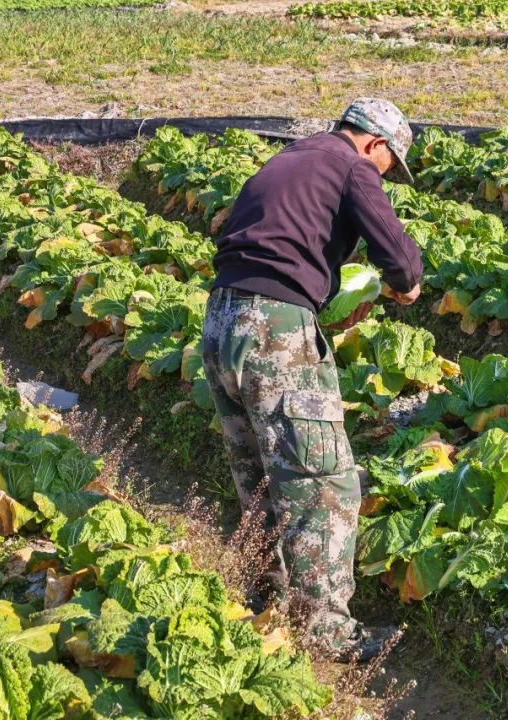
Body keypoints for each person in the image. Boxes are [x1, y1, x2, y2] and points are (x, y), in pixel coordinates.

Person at [201, 98, 423, 660]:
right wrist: (406, 283)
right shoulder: (352, 165)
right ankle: (326, 634)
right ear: (375, 144)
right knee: (320, 481)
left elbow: (266, 245)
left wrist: (313, 302)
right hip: (274, 327)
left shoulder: (290, 158)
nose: (385, 175)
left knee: (256, 469)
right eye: (389, 165)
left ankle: (262, 601)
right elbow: (396, 252)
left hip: (223, 319)